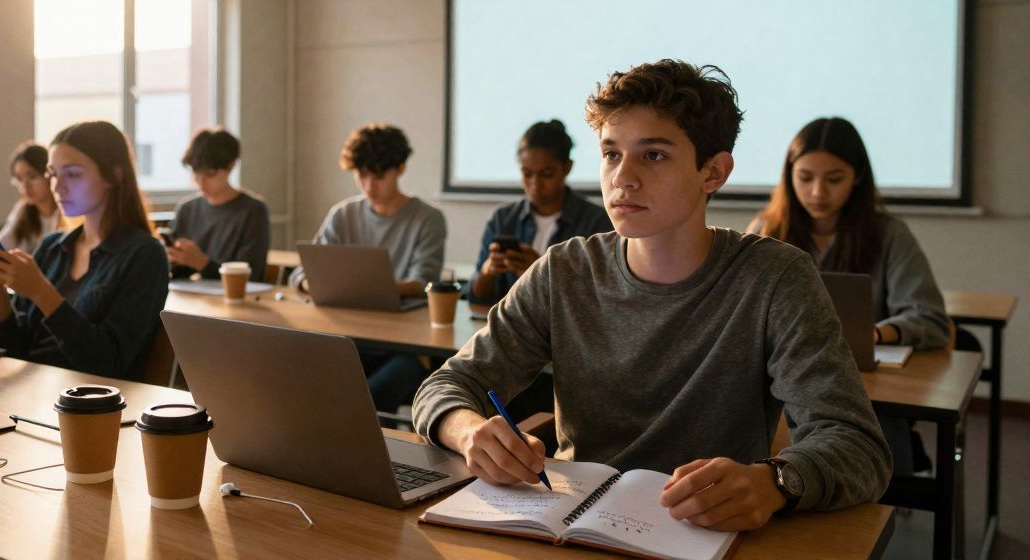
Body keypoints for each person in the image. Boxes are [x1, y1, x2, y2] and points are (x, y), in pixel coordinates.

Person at [413, 60, 890, 532]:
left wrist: (775, 483)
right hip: (569, 527)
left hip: (707, 531)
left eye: (653, 155)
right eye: (611, 154)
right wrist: (469, 431)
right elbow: (445, 386)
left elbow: (856, 446)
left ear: (714, 172)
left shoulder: (775, 278)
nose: (623, 177)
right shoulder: (564, 271)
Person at [749, 116, 951, 474]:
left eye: (834, 179)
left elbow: (930, 318)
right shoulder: (766, 232)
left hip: (864, 390)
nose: (818, 193)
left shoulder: (889, 235)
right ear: (789, 175)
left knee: (864, 461)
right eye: (806, 178)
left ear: (857, 177)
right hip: (778, 386)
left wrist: (876, 333)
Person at [0, 121, 168, 382]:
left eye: (73, 174)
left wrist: (41, 292)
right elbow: (14, 344)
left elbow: (107, 363)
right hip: (33, 389)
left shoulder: (145, 255)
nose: (57, 186)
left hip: (85, 404)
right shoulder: (53, 247)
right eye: (53, 174)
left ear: (114, 175)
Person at [289, 124, 447, 413]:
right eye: (361, 175)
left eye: (378, 176)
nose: (369, 185)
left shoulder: (428, 219)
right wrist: (317, 284)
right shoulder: (343, 214)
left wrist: (360, 288)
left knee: (363, 402)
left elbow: (422, 281)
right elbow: (300, 273)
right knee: (295, 381)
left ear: (399, 169)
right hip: (344, 341)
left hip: (404, 349)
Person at [469, 119, 613, 306]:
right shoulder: (503, 219)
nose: (535, 185)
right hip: (512, 329)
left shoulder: (596, 223)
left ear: (567, 167)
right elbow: (475, 297)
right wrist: (487, 272)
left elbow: (600, 299)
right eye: (527, 174)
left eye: (546, 174)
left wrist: (541, 273)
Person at [167, 128, 270, 282]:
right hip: (189, 300)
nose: (201, 182)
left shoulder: (253, 211)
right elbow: (176, 272)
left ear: (231, 165)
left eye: (210, 173)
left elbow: (250, 276)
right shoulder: (186, 209)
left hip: (233, 302)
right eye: (196, 171)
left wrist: (201, 262)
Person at [0, 141, 67, 253]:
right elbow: (1, 245)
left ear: (49, 175)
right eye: (19, 179)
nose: (25, 186)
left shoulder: (66, 213)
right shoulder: (22, 210)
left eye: (32, 176)